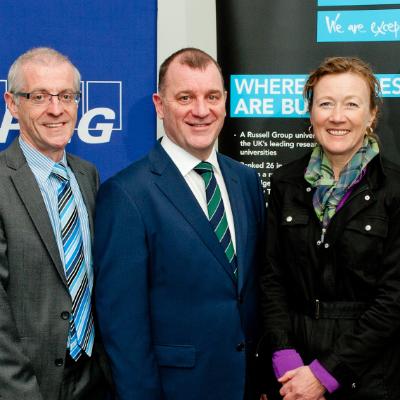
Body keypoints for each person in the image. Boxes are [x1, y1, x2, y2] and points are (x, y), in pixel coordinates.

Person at [94, 47, 266, 400]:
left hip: (246, 385)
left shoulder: (246, 180)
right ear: (160, 105)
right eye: (185, 97)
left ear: (225, 102)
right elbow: (123, 329)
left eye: (212, 97)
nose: (201, 111)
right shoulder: (127, 194)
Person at [260, 56, 400, 400]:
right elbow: (271, 277)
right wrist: (285, 358)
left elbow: (393, 300)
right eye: (325, 104)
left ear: (371, 115)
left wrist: (325, 374)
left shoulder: (395, 190)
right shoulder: (285, 182)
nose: (337, 116)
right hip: (292, 375)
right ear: (311, 113)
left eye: (351, 104)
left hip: (369, 376)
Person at [0, 47, 111, 399]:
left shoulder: (87, 175)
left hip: (92, 378)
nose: (56, 109)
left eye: (66, 96)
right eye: (39, 97)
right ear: (13, 104)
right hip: (26, 384)